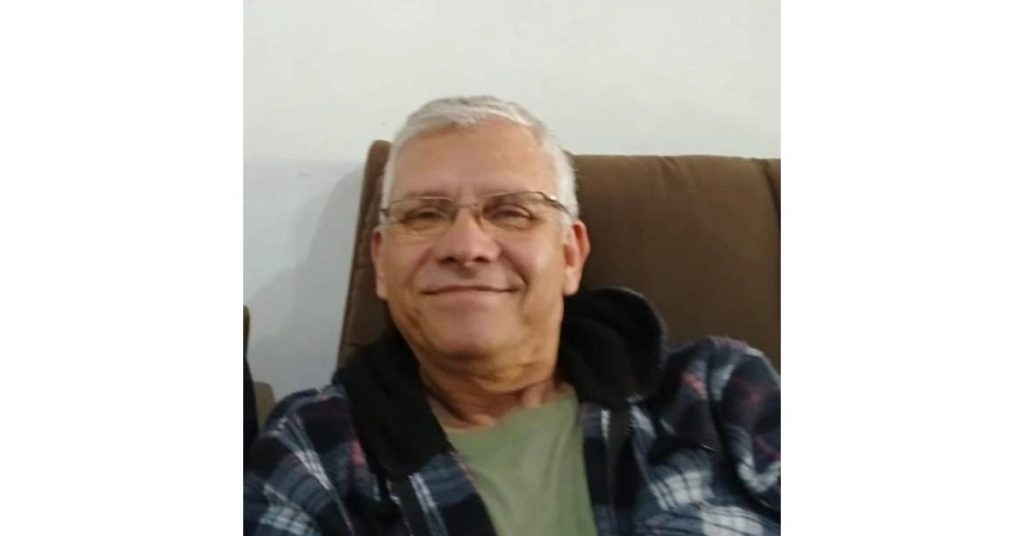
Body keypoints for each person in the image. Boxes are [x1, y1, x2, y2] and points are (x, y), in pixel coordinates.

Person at [244, 96, 780, 535]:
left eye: (511, 212)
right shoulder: (313, 453)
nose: (466, 246)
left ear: (570, 256)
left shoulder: (719, 392)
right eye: (425, 214)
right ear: (381, 262)